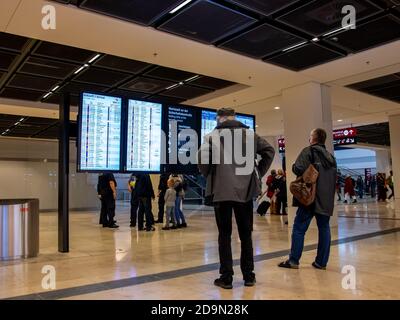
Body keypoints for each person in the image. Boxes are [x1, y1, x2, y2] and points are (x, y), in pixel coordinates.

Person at [198, 107, 275, 289]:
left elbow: (201, 160)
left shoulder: (211, 136)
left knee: (224, 235)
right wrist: (256, 173)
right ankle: (249, 276)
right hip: (245, 192)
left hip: (221, 191)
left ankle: (226, 278)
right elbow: (269, 151)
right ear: (234, 118)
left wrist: (211, 174)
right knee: (245, 234)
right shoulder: (250, 135)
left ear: (219, 119)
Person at [278, 128, 337, 270]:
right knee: (324, 228)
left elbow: (298, 168)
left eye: (310, 136)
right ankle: (321, 262)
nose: (309, 138)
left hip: (309, 198)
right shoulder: (331, 158)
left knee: (299, 228)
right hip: (326, 199)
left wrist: (293, 166)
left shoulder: (309, 151)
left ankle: (293, 261)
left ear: (314, 138)